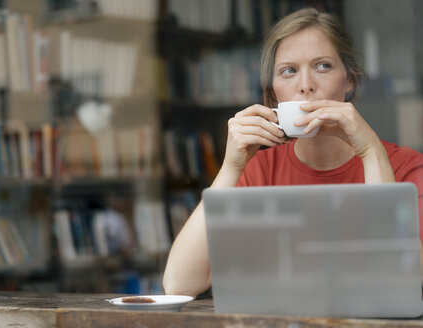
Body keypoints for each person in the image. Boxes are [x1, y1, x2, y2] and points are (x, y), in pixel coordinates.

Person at [162, 7, 423, 298]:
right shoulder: (260, 169)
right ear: (273, 93)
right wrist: (230, 169)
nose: (305, 85)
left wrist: (371, 150)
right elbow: (180, 284)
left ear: (350, 81)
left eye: (323, 66)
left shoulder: (407, 167)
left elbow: (401, 277)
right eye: (289, 71)